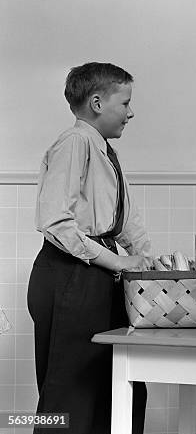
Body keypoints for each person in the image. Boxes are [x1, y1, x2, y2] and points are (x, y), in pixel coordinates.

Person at [27, 62, 153, 434]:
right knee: (71, 389)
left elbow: (125, 218)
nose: (131, 113)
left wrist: (145, 259)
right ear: (97, 102)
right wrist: (119, 262)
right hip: (70, 275)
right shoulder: (75, 143)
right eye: (125, 103)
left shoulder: (104, 151)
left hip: (97, 274)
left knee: (118, 380)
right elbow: (56, 222)